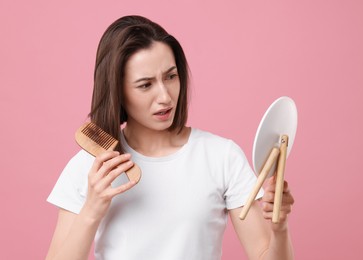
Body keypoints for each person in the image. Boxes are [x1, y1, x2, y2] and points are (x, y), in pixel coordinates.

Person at [46, 15, 294, 260]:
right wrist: (92, 210)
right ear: (117, 92)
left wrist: (279, 228)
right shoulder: (92, 166)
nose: (165, 96)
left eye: (171, 76)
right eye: (145, 85)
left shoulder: (221, 157)